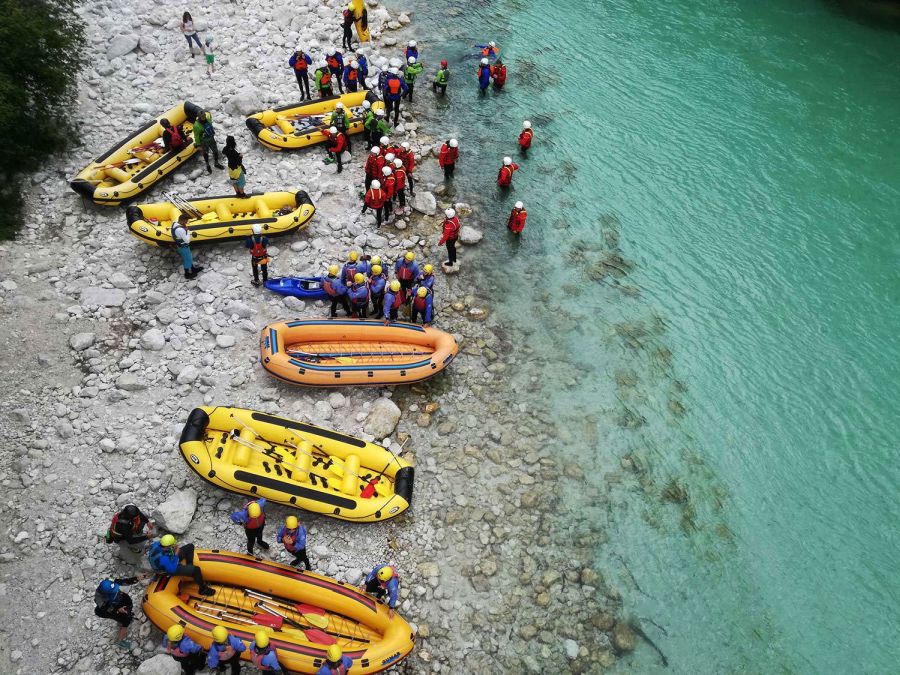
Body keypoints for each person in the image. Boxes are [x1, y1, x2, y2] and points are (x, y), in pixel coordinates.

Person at [148, 534, 215, 595]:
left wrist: (173, 551)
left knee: (190, 546)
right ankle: (203, 589)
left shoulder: (157, 544)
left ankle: (190, 567)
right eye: (173, 545)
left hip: (168, 558)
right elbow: (172, 569)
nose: (175, 545)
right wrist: (176, 554)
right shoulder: (163, 559)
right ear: (168, 546)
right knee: (196, 570)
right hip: (166, 569)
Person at [94, 574, 149, 649]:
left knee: (127, 601)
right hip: (108, 609)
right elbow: (109, 609)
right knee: (126, 619)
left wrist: (136, 578)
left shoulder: (110, 581)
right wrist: (118, 610)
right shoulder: (100, 600)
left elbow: (123, 581)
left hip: (116, 600)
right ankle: (120, 641)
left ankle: (126, 613)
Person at [172, 214, 203, 280]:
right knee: (187, 259)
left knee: (189, 257)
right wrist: (187, 231)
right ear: (183, 220)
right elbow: (187, 240)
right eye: (186, 221)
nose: (187, 222)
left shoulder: (174, 224)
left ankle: (193, 269)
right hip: (183, 247)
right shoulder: (181, 230)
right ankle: (187, 274)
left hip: (180, 246)